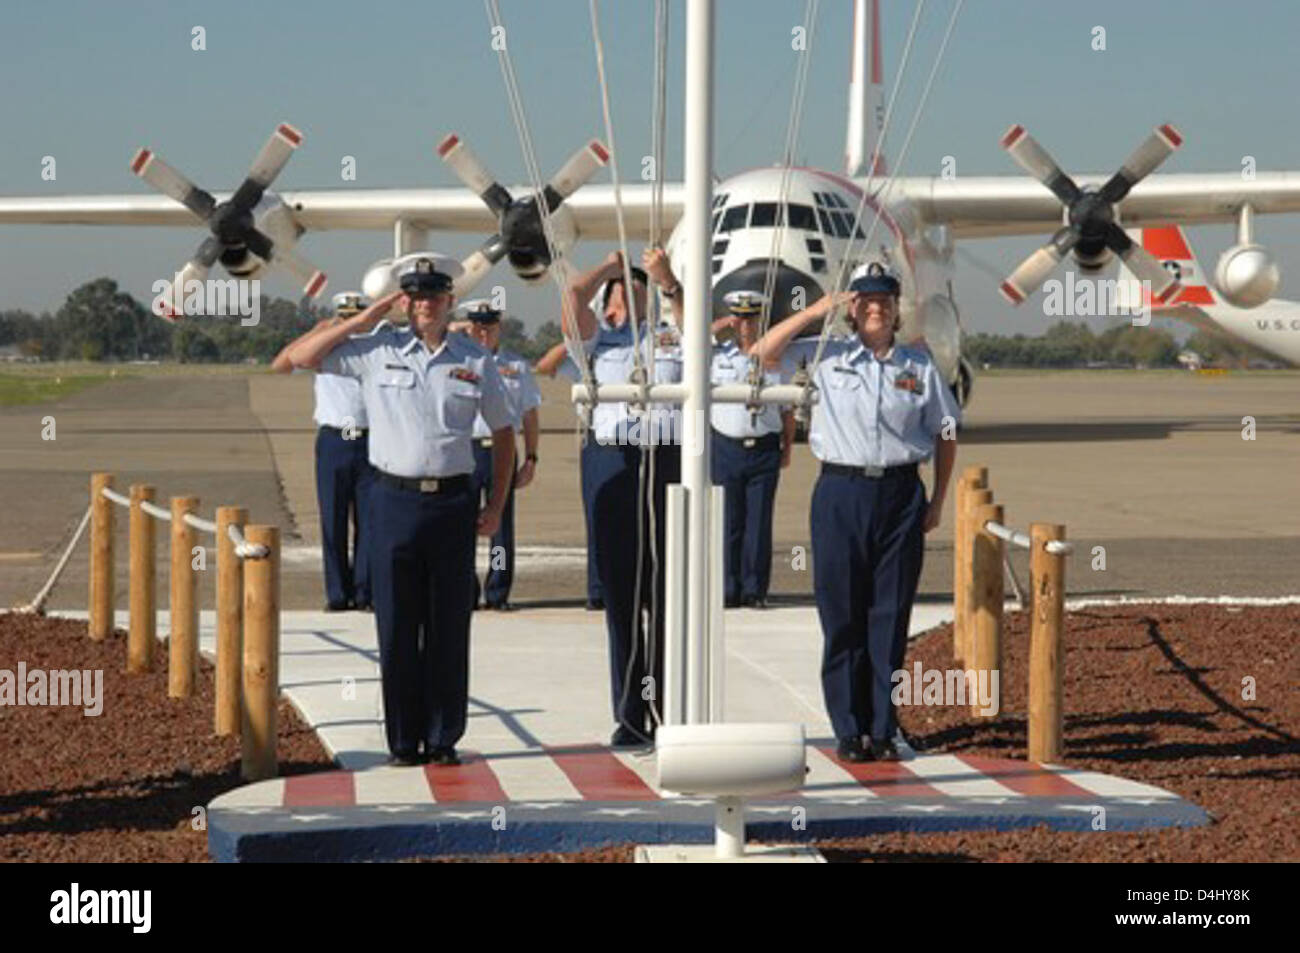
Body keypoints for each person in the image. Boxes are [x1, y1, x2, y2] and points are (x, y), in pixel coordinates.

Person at [288, 256, 515, 767]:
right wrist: (365, 318)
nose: (424, 305)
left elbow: (503, 432)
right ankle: (403, 742)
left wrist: (496, 504)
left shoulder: (473, 360)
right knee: (395, 625)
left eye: (434, 296)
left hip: (454, 503)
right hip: (390, 502)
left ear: (449, 300)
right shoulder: (375, 350)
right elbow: (302, 357)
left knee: (449, 625)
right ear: (403, 301)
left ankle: (442, 738)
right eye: (414, 296)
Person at [753, 262, 959, 763]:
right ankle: (848, 729)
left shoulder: (919, 366)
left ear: (895, 308)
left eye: (884, 300)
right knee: (841, 613)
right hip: (840, 493)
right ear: (853, 308)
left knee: (889, 616)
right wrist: (815, 312)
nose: (875, 308)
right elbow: (762, 355)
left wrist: (937, 500)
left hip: (899, 494)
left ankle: (883, 729)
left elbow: (947, 430)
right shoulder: (827, 356)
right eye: (866, 299)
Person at [563, 247, 683, 747]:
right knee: (623, 596)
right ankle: (632, 714)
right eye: (622, 291)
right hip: (616, 461)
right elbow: (571, 300)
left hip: (669, 460)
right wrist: (607, 270)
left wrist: (668, 282)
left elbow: (699, 332)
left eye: (641, 289)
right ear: (609, 304)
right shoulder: (597, 344)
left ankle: (672, 711)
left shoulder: (675, 337)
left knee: (669, 595)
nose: (632, 294)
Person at [271, 291, 374, 612]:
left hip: (373, 439)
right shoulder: (320, 349)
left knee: (369, 522)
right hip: (334, 440)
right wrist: (319, 331)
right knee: (333, 519)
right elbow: (282, 364)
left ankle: (366, 591)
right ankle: (337, 593)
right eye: (344, 317)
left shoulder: (375, 346)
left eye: (355, 317)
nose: (351, 324)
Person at [454, 299, 542, 610]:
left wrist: (531, 456)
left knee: (500, 527)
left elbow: (530, 414)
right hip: (465, 451)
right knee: (460, 525)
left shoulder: (515, 367)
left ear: (498, 329)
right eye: (476, 327)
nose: (482, 334)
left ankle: (497, 591)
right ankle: (464, 590)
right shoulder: (458, 363)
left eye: (488, 327)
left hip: (501, 453)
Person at [710, 290, 795, 609]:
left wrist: (787, 447)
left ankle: (754, 589)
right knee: (728, 522)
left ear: (762, 320)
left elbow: (786, 408)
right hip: (725, 446)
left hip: (764, 447)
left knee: (758, 523)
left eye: (752, 318)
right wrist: (719, 326)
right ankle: (726, 588)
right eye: (740, 318)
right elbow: (686, 341)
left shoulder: (777, 360)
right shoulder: (717, 357)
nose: (746, 325)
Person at [536, 339, 604, 610]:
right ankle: (598, 589)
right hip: (598, 437)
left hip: (638, 435)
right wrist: (577, 341)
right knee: (598, 518)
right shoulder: (586, 359)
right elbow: (545, 366)